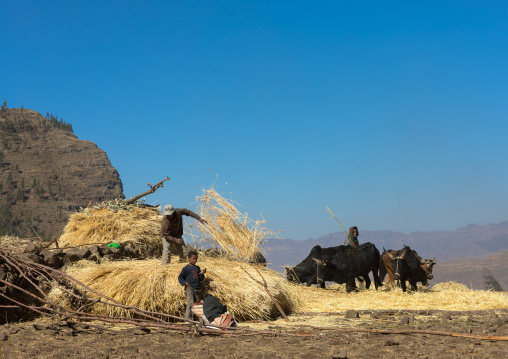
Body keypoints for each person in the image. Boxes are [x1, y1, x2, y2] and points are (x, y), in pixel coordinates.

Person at [178, 250, 206, 321]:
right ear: (188, 258)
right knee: (190, 304)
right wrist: (185, 283)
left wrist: (202, 273)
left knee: (197, 305)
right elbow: (180, 277)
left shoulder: (197, 268)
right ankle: (187, 320)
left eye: (196, 259)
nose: (195, 260)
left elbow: (200, 278)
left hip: (197, 289)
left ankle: (194, 320)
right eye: (193, 259)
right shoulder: (186, 268)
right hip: (190, 288)